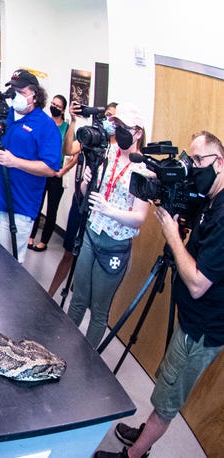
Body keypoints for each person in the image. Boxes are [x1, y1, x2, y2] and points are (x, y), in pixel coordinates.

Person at [94, 131, 224, 458]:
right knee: (166, 380)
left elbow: (197, 281)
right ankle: (144, 434)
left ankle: (134, 454)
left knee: (168, 399)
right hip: (193, 317)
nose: (192, 168)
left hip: (202, 329)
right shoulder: (212, 198)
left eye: (197, 161)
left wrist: (170, 234)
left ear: (219, 163)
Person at [66, 103, 151, 349]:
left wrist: (109, 210)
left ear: (137, 133)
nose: (119, 130)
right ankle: (63, 346)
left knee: (100, 310)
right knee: (78, 298)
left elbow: (139, 218)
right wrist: (86, 183)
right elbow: (85, 192)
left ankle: (86, 357)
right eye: (118, 125)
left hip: (115, 244)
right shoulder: (106, 153)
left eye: (125, 127)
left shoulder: (142, 169)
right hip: (93, 233)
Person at [0, 69, 61, 263]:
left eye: (21, 92)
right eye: (13, 90)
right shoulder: (5, 116)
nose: (16, 96)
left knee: (7, 264)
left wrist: (15, 162)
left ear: (34, 95)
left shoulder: (45, 125)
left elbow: (50, 168)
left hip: (18, 205)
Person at [48, 102, 118, 297]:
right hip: (80, 203)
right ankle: (50, 294)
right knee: (68, 253)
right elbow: (68, 149)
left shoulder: (119, 149)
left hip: (98, 210)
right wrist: (73, 121)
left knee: (87, 259)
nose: (108, 121)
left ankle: (78, 298)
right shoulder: (92, 140)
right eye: (106, 116)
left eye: (113, 117)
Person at [28, 94, 70, 252]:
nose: (54, 107)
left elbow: (73, 154)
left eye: (58, 106)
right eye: (53, 104)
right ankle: (31, 236)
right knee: (36, 205)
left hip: (56, 173)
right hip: (41, 170)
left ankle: (44, 241)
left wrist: (63, 171)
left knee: (52, 209)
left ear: (63, 109)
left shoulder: (65, 128)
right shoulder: (44, 122)